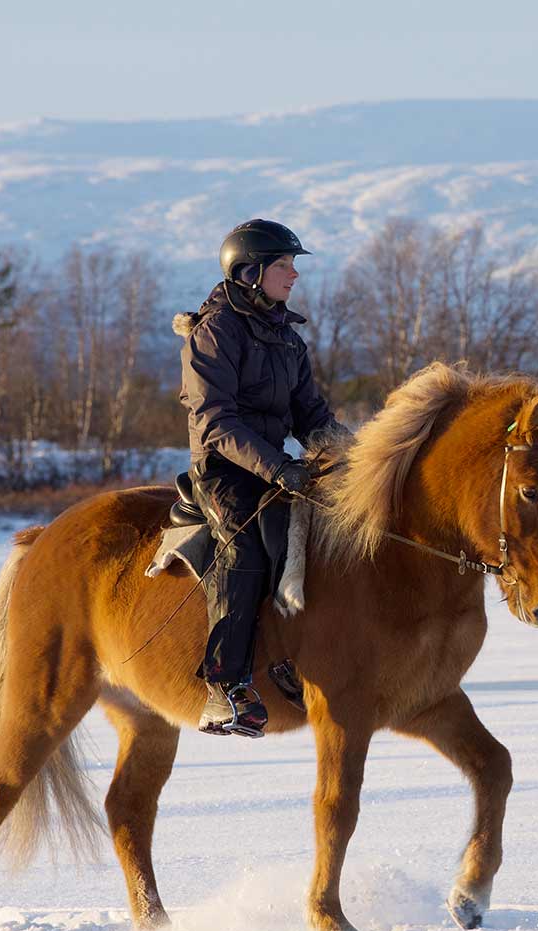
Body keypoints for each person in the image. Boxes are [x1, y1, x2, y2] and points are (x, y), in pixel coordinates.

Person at [179, 219, 344, 737]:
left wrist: (353, 456)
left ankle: (298, 654)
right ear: (250, 272)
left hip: (276, 468)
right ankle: (224, 688)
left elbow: (312, 416)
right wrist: (278, 466)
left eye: (293, 266)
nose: (294, 276)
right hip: (225, 470)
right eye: (284, 266)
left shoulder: (286, 338)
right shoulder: (215, 331)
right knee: (246, 549)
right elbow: (214, 421)